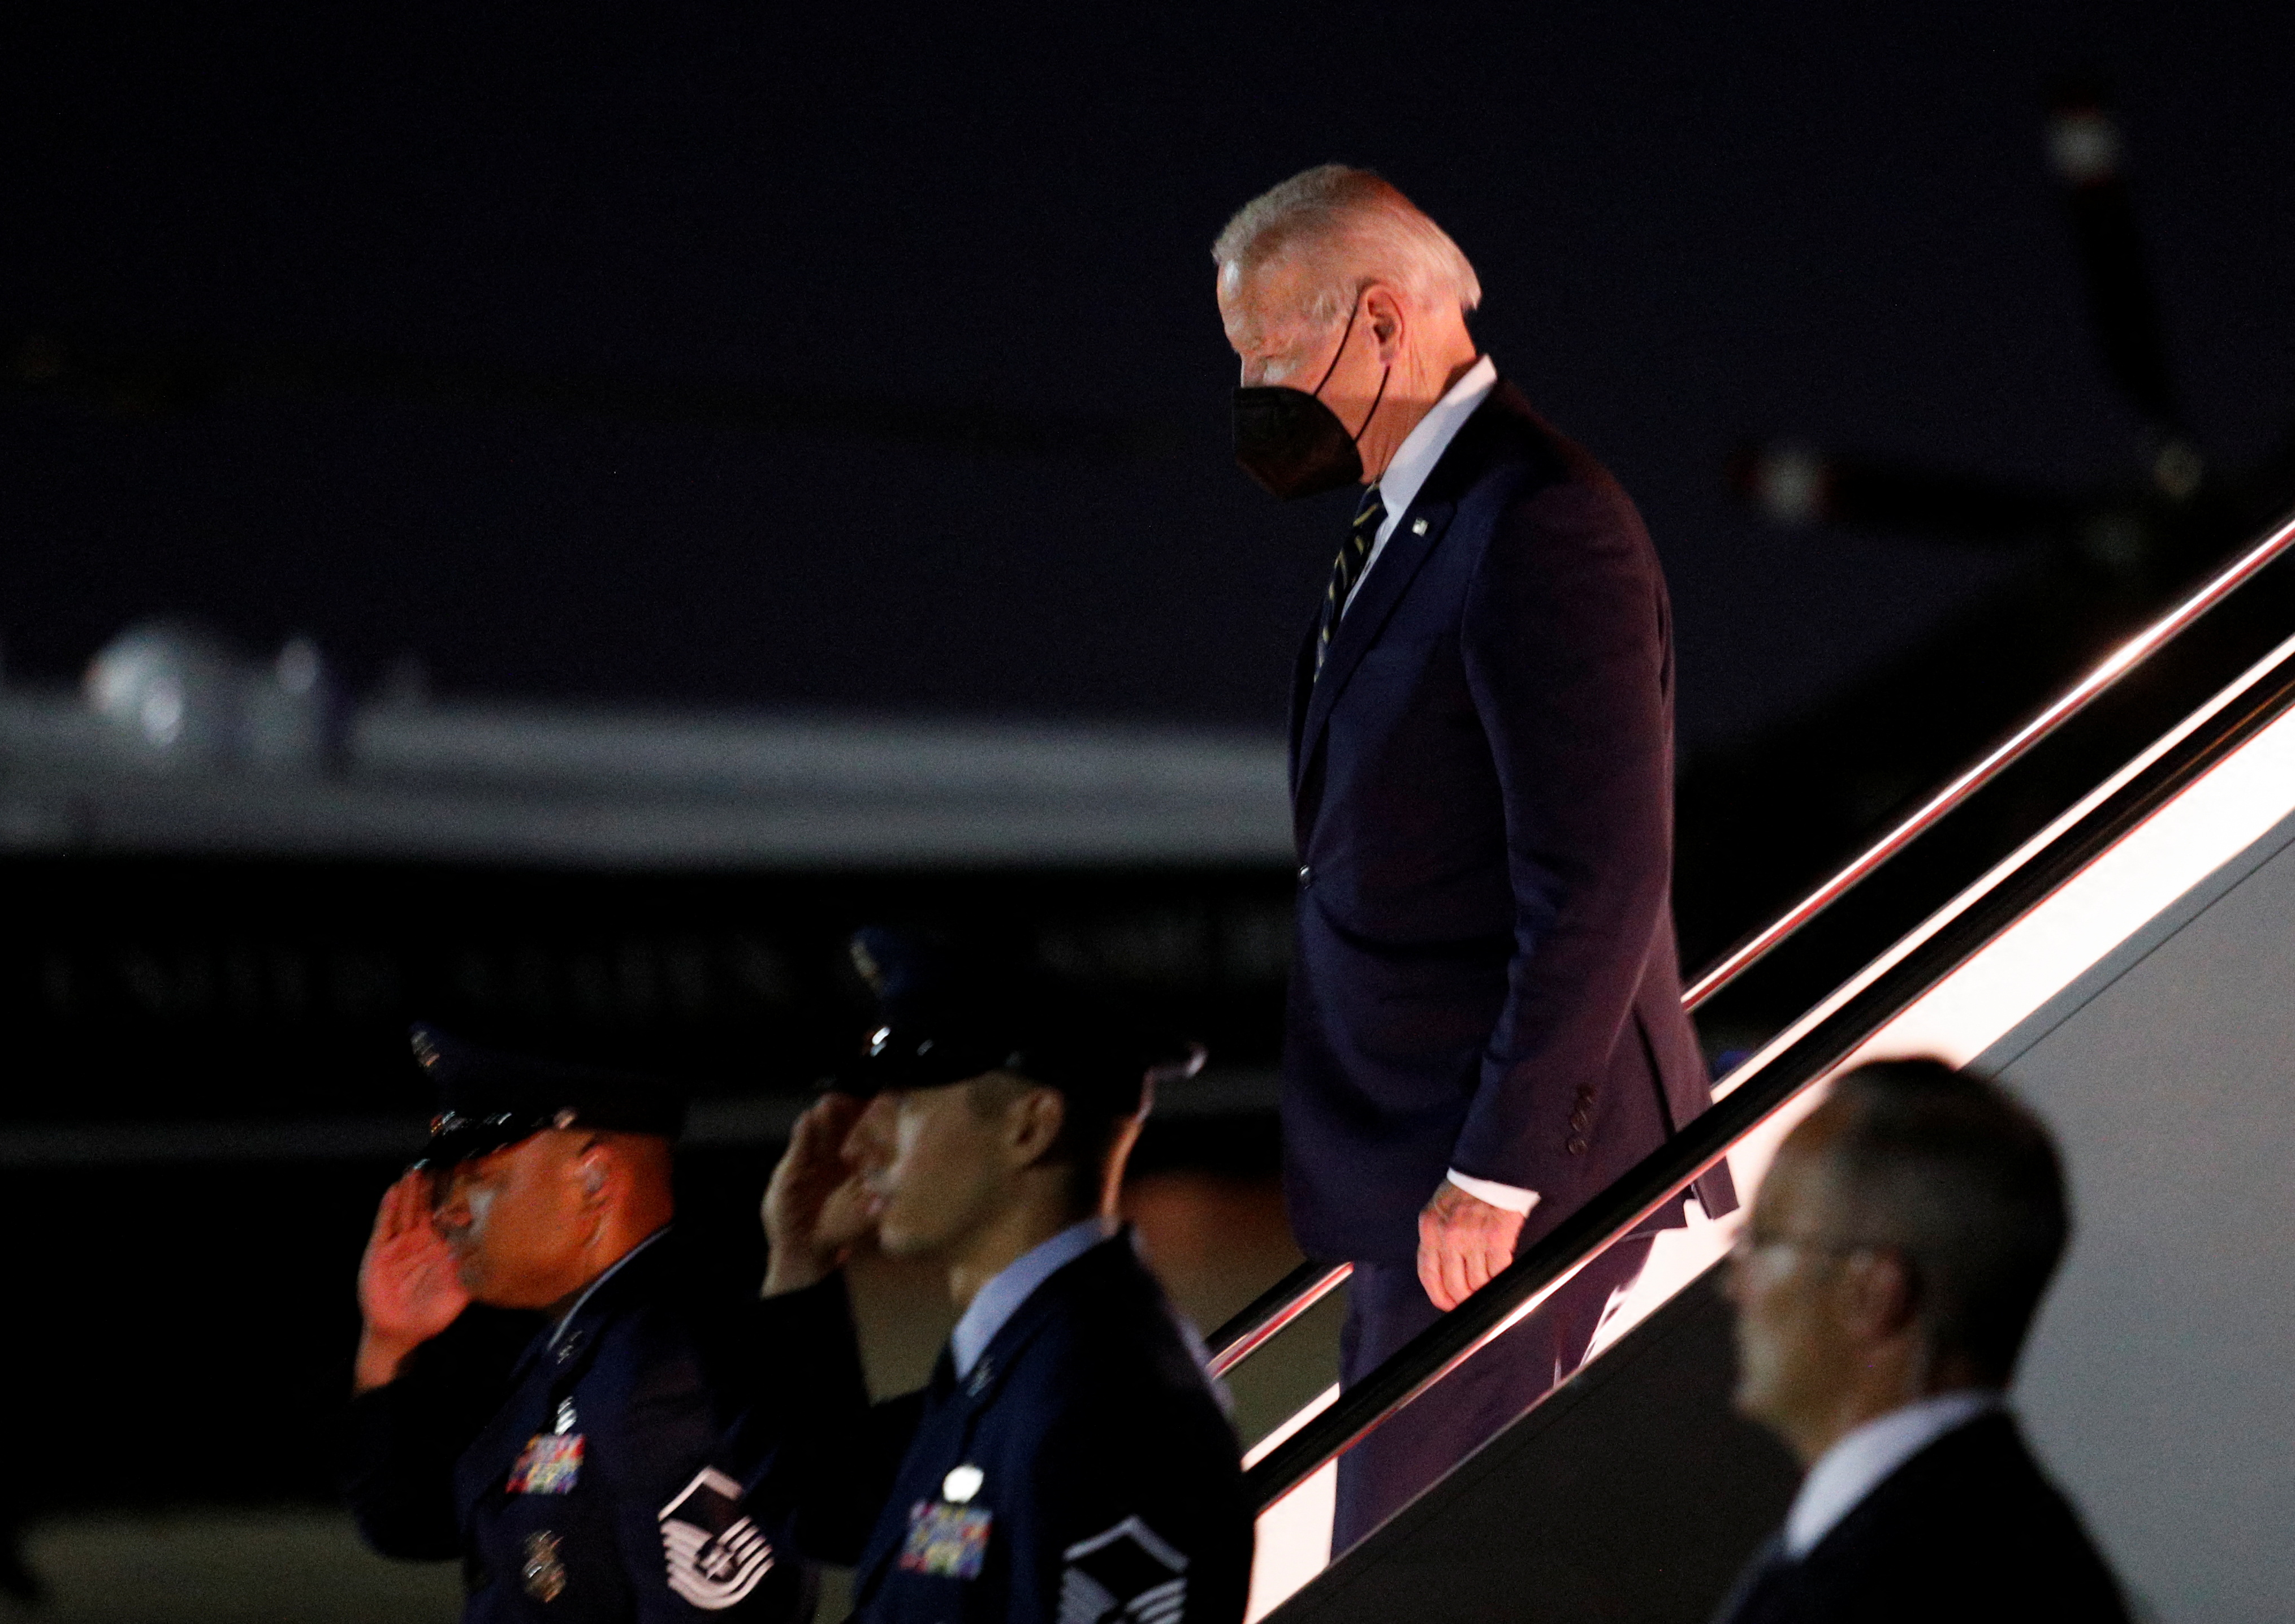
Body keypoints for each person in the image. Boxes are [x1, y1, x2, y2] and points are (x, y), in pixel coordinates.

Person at [1213, 163, 1736, 1549]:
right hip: (1424, 1178)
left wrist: (1499, 1170)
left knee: (1419, 1569)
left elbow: (1597, 873)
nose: (1251, 386)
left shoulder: (1535, 519)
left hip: (1499, 1186)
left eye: (1267, 347)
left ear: (1381, 322)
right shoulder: (1417, 518)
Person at [742, 932, 1252, 1624]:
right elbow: (821, 1502)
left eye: (906, 1103)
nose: (859, 1143)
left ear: (1029, 1128)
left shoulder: (1111, 1407)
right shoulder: (1024, 1361)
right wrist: (800, 1262)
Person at [346, 1025, 811, 1624]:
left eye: (479, 1178)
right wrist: (388, 1346)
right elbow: (413, 1523)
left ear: (594, 1181)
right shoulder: (579, 1344)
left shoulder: (665, 1371)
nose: (448, 1210)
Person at [1714, 1059, 2128, 1622]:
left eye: (1762, 1241)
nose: (1735, 1286)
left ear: (1872, 1295)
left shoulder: (1907, 1585)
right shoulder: (2002, 1545)